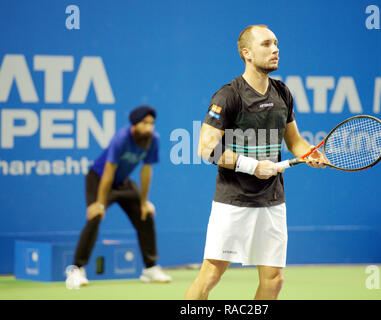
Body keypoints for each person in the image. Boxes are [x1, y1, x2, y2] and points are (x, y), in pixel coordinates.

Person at [184, 25, 326, 300]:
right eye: (266, 44)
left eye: (276, 43)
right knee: (211, 275)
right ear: (247, 53)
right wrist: (253, 166)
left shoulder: (282, 92)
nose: (275, 49)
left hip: (272, 201)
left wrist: (309, 153)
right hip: (232, 201)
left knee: (273, 280)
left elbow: (294, 140)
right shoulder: (229, 95)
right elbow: (206, 148)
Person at [66, 105, 172, 288]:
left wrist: (144, 202)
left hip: (123, 182)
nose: (149, 127)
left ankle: (150, 268)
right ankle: (76, 270)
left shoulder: (153, 140)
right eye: (144, 123)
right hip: (99, 179)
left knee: (145, 214)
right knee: (95, 216)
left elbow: (146, 171)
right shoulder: (121, 138)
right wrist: (99, 203)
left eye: (151, 123)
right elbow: (108, 171)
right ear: (134, 124)